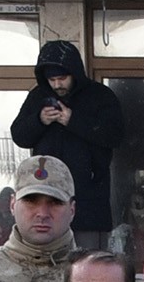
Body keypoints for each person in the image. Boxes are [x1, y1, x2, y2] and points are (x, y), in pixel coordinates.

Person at [12, 40, 125, 242]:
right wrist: (39, 120)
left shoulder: (100, 96)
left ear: (75, 73)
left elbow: (115, 135)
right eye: (51, 79)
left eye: (62, 78)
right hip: (46, 204)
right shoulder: (38, 96)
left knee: (87, 266)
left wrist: (73, 121)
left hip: (88, 203)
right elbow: (19, 135)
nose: (57, 85)